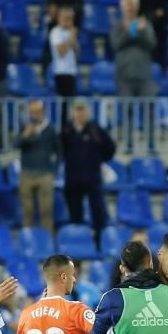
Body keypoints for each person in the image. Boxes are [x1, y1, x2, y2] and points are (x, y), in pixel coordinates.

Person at [61, 100, 116, 238]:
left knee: (98, 213)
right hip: (72, 178)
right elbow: (60, 150)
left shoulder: (96, 129)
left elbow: (110, 148)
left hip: (92, 178)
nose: (80, 114)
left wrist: (98, 160)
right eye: (77, 110)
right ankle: (78, 242)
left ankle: (99, 241)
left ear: (88, 112)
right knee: (74, 214)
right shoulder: (67, 130)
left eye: (83, 110)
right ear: (73, 112)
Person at [17, 100, 61, 235]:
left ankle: (48, 240)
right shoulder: (25, 127)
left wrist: (54, 170)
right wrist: (26, 134)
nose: (34, 115)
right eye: (32, 112)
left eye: (36, 112)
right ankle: (27, 238)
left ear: (43, 112)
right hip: (27, 174)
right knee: (27, 210)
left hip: (45, 174)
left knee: (46, 210)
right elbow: (17, 144)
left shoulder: (51, 129)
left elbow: (59, 152)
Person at [110, 0, 157, 98]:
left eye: (132, 5)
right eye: (127, 5)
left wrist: (141, 32)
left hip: (144, 74)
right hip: (124, 75)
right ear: (122, 8)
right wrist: (129, 32)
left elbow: (152, 43)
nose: (130, 8)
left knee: (148, 109)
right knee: (127, 111)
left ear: (137, 7)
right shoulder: (117, 26)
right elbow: (115, 44)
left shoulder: (145, 25)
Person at [50, 6, 80, 97]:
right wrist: (71, 38)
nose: (69, 21)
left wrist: (74, 41)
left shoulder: (71, 33)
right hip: (61, 73)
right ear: (60, 18)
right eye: (66, 18)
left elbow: (77, 55)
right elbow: (62, 52)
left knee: (71, 104)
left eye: (70, 18)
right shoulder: (55, 32)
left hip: (72, 72)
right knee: (63, 104)